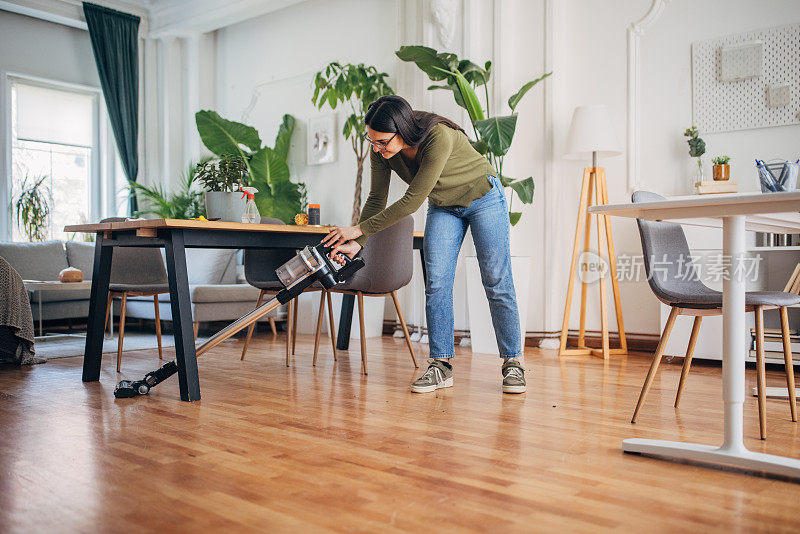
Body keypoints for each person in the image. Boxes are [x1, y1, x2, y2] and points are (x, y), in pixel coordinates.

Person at [322, 95, 524, 394]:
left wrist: (356, 230)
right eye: (372, 141)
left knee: (496, 279)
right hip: (444, 206)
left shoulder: (438, 136)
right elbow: (377, 199)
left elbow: (411, 201)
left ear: (402, 131)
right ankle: (441, 365)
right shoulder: (382, 151)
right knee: (437, 282)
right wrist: (358, 242)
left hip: (483, 198)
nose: (377, 148)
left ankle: (513, 363)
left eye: (382, 142)